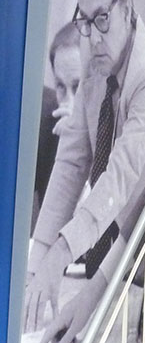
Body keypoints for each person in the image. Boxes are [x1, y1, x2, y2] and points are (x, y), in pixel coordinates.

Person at [27, 0, 145, 343]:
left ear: (126, 6)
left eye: (101, 19)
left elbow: (116, 182)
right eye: (85, 19)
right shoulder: (95, 55)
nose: (93, 36)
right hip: (105, 249)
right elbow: (72, 161)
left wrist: (61, 252)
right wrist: (36, 265)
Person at [35, 23, 82, 217]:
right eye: (61, 86)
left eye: (78, 87)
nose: (68, 103)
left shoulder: (116, 131)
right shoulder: (46, 124)